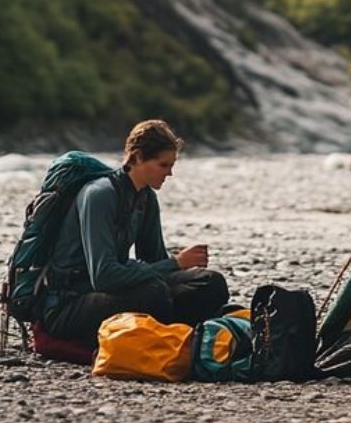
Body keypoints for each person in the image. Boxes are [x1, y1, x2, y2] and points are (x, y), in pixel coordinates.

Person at [41, 119, 229, 344]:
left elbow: (154, 261)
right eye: (163, 165)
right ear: (138, 157)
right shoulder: (99, 195)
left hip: (115, 292)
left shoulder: (146, 198)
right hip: (70, 304)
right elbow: (104, 277)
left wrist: (178, 266)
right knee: (153, 293)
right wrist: (176, 263)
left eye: (171, 166)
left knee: (210, 283)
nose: (169, 174)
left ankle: (182, 336)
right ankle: (175, 339)